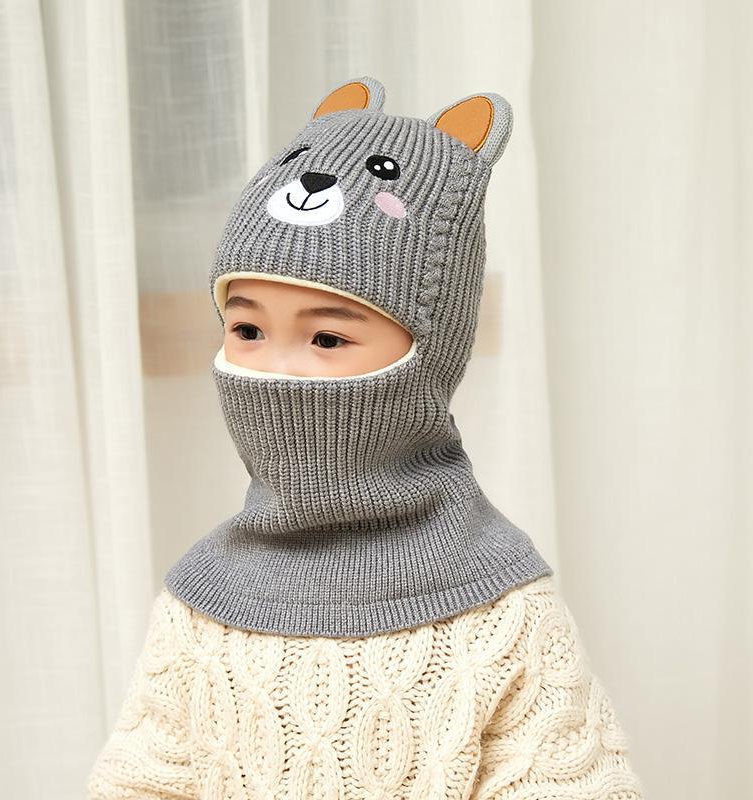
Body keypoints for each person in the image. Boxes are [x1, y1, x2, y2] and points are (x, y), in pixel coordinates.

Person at [88, 76, 645, 799]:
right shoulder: (200, 602)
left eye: (326, 337)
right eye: (247, 328)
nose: (275, 371)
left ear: (428, 356)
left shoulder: (500, 610)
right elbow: (139, 783)